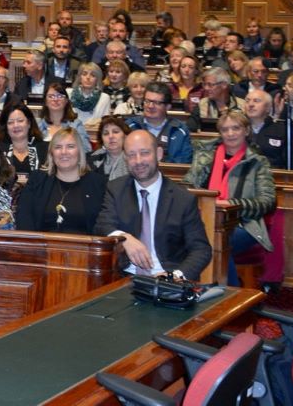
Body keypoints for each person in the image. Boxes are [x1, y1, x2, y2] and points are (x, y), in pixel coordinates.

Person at [94, 129, 212, 281]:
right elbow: (102, 226)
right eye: (131, 155)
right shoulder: (116, 189)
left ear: (159, 154)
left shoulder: (182, 198)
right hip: (125, 278)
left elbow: (201, 250)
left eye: (144, 153)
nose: (138, 161)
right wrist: (124, 238)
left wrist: (174, 276)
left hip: (168, 280)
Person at [182, 111, 276, 285]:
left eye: (236, 128)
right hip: (203, 219)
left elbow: (267, 202)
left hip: (244, 225)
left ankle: (226, 294)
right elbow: (187, 186)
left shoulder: (257, 162)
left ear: (246, 131)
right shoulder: (205, 155)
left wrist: (231, 205)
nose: (230, 134)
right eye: (225, 130)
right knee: (200, 236)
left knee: (214, 239)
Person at [15, 128, 107, 235]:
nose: (64, 152)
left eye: (70, 146)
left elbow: (103, 225)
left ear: (80, 152)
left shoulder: (98, 184)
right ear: (51, 153)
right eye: (58, 147)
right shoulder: (37, 180)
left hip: (85, 249)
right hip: (43, 248)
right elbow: (24, 219)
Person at [126, 81, 193, 163]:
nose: (150, 106)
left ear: (167, 107)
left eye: (156, 103)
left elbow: (183, 163)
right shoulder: (130, 126)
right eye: (147, 101)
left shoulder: (180, 130)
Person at [0, 101, 49, 175]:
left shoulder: (45, 149)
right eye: (10, 122)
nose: (16, 125)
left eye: (20, 121)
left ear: (29, 123)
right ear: (5, 127)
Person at [38, 81, 88, 146]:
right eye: (51, 96)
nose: (55, 100)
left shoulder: (76, 125)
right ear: (45, 102)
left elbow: (86, 151)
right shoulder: (39, 127)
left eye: (60, 96)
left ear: (66, 101)